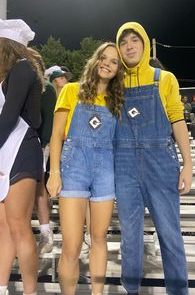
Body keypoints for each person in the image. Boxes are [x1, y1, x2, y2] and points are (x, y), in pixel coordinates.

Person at [114, 22, 192, 295]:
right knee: (130, 237)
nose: (130, 46)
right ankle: (131, 289)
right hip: (123, 165)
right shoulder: (114, 83)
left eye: (135, 40)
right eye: (124, 43)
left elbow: (177, 119)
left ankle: (179, 291)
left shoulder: (164, 78)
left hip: (161, 162)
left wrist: (188, 165)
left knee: (170, 235)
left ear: (145, 44)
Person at [46, 42, 124, 295]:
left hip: (105, 171)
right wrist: (54, 172)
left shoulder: (117, 101)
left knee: (100, 239)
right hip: (73, 168)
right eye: (104, 58)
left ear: (118, 70)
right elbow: (57, 135)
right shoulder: (70, 90)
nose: (107, 64)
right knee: (71, 245)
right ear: (95, 60)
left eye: (114, 61)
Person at [0, 19, 43, 295]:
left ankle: (30, 292)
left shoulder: (23, 68)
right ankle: (1, 287)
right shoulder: (9, 73)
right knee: (4, 226)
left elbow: (10, 115)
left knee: (19, 226)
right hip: (5, 149)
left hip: (21, 149)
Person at [27, 50, 57, 254]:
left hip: (37, 144)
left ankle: (46, 232)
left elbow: (48, 122)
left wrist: (42, 143)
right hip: (24, 143)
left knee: (37, 188)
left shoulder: (45, 87)